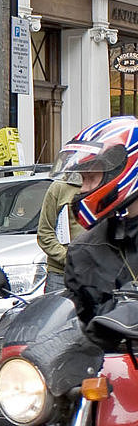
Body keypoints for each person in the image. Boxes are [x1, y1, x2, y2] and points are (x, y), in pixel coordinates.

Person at [60, 117, 138, 328]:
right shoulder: (82, 251)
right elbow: (72, 321)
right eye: (82, 179)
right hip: (109, 358)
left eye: (91, 177)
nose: (84, 189)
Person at [37, 171, 94, 293]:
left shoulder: (107, 184)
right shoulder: (60, 186)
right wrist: (68, 258)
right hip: (61, 275)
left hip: (95, 274)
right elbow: (45, 233)